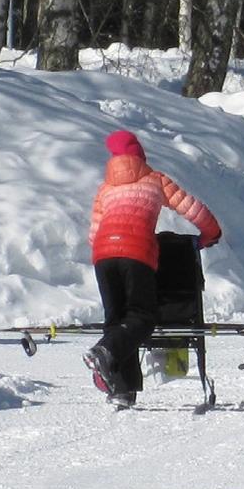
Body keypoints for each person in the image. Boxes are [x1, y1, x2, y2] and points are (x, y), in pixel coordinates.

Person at [84, 130, 222, 407]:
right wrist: (211, 234)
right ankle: (105, 350)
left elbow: (94, 232)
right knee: (142, 317)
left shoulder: (106, 188)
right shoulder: (154, 179)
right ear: (141, 155)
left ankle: (122, 390)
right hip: (136, 253)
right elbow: (192, 208)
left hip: (103, 254)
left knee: (117, 320)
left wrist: (105, 250)